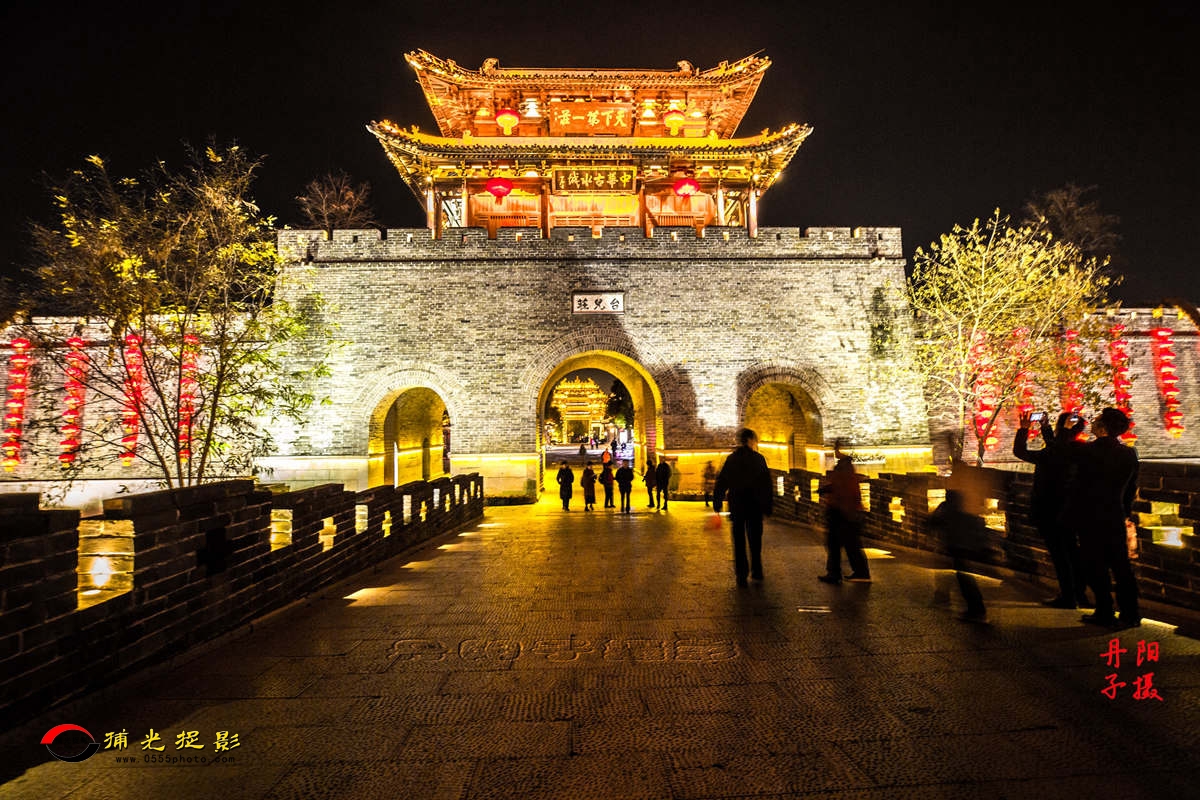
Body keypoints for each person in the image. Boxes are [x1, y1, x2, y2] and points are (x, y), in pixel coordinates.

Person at [1067, 408, 1141, 629]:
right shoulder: (1129, 453)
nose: (1093, 422)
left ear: (1102, 427)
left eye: (1097, 420)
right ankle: (1130, 613)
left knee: (1095, 565)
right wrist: (1125, 511)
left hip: (1089, 515)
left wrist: (1070, 431)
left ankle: (1104, 610)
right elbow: (1131, 488)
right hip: (1114, 514)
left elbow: (1061, 452)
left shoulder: (1087, 451)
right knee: (1121, 565)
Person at [1013, 410, 1090, 608]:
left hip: (1049, 510)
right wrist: (1047, 429)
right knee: (1073, 552)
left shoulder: (1053, 453)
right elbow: (1058, 446)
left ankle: (1068, 596)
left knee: (1060, 554)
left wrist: (1024, 430)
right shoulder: (1083, 451)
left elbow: (1021, 452)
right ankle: (1080, 595)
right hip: (1074, 509)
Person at [713, 428, 773, 586]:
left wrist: (717, 502)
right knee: (755, 540)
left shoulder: (732, 459)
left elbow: (722, 481)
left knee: (739, 541)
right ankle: (757, 570)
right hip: (755, 506)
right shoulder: (758, 459)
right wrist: (767, 506)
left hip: (737, 505)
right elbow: (766, 484)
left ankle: (741, 574)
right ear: (750, 440)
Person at [928, 484, 991, 622]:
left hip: (957, 546)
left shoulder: (947, 507)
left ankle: (976, 610)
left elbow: (933, 521)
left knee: (964, 578)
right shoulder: (968, 507)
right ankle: (970, 607)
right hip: (965, 547)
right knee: (962, 576)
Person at [817, 455, 871, 584]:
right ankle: (858, 572)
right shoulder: (847, 474)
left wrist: (845, 512)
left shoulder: (844, 474)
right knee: (849, 545)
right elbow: (838, 487)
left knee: (839, 545)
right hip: (845, 514)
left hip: (843, 514)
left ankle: (836, 573)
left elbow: (843, 492)